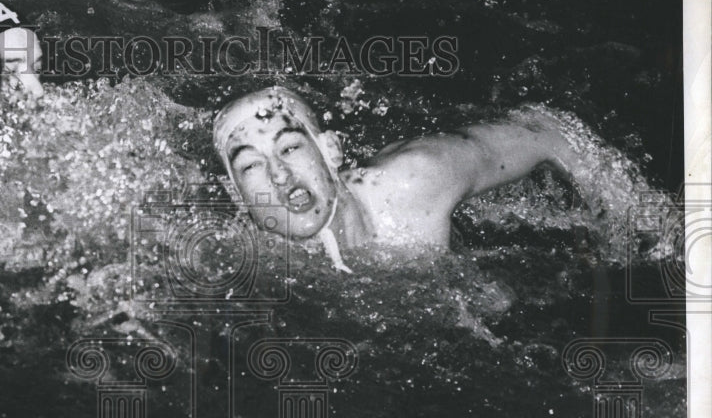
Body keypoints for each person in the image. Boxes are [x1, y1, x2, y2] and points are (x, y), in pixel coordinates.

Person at [213, 86, 582, 271]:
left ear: (330, 151)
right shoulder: (243, 264)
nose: (278, 174)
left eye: (290, 148)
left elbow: (548, 131)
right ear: (237, 194)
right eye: (250, 167)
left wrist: (625, 220)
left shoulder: (415, 179)